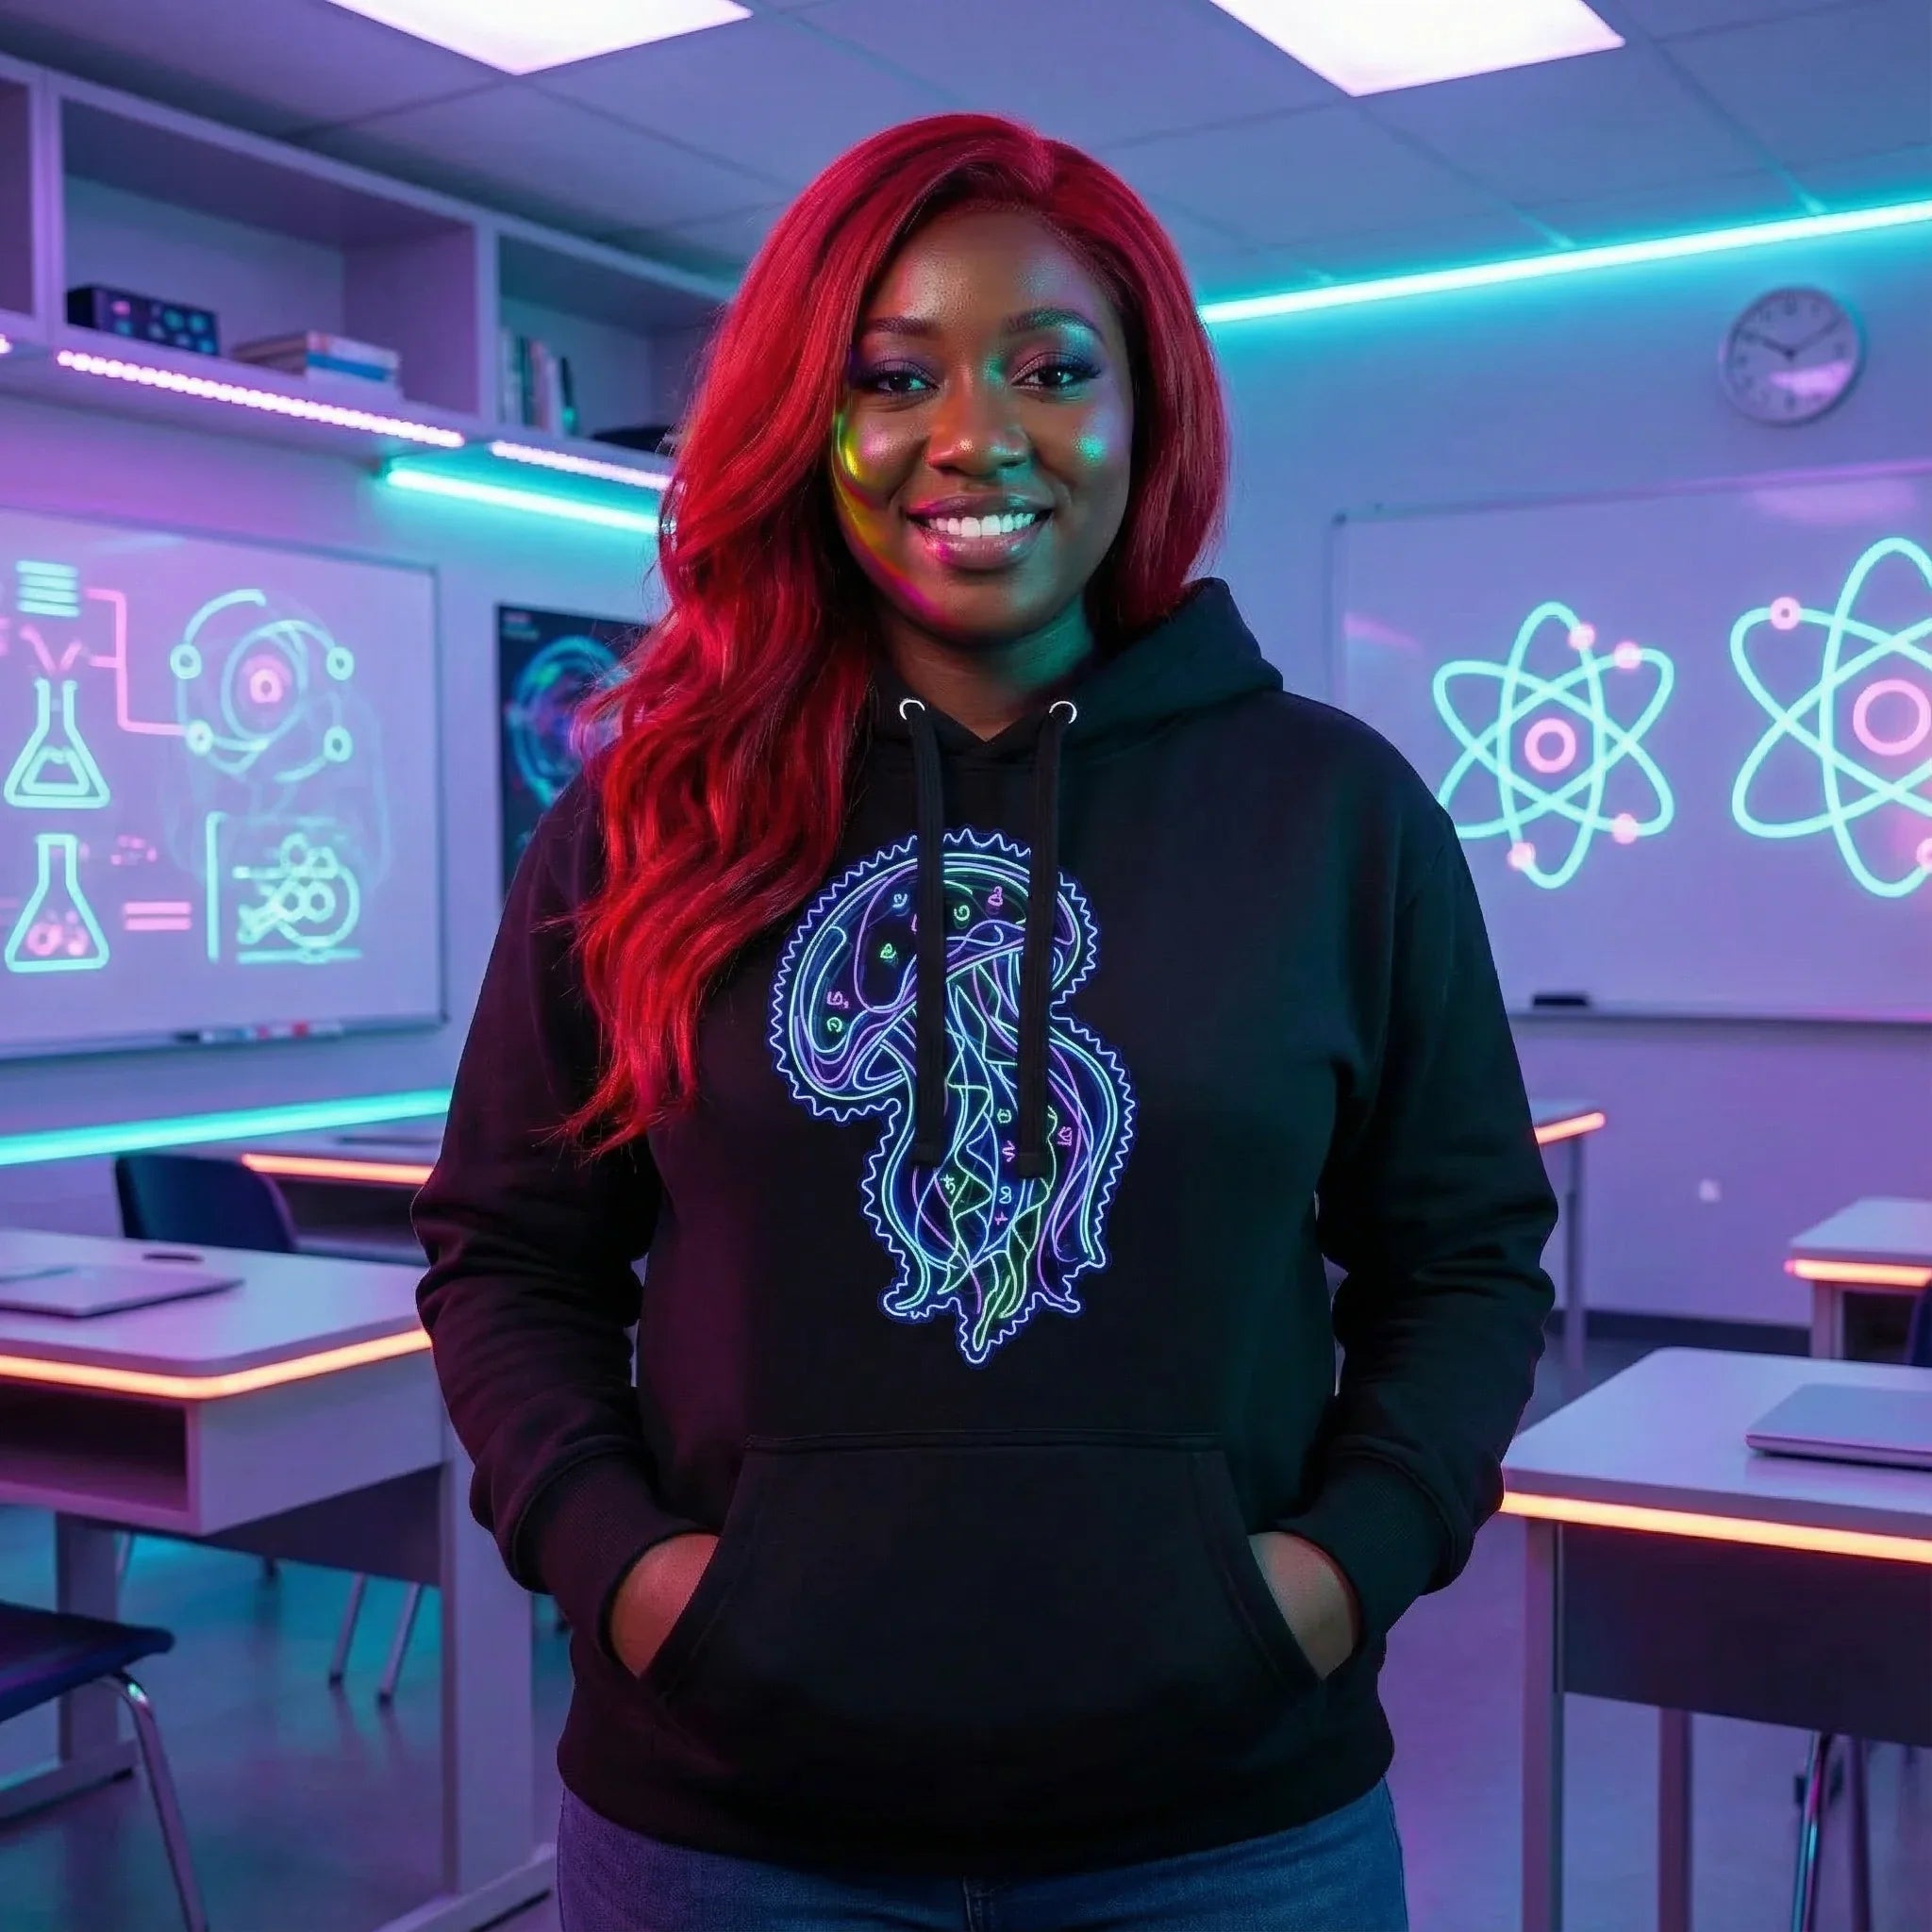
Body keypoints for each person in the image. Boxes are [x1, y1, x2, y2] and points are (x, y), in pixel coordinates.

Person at [414, 112, 1557, 1932]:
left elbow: (1472, 1256)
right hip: (727, 1829)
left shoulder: (1337, 813)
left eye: (1051, 368)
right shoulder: (647, 821)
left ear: (1144, 412)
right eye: (892, 375)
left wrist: (1336, 1573)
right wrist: (626, 1575)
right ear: (814, 423)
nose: (975, 437)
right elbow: (507, 1254)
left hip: (1230, 1829)